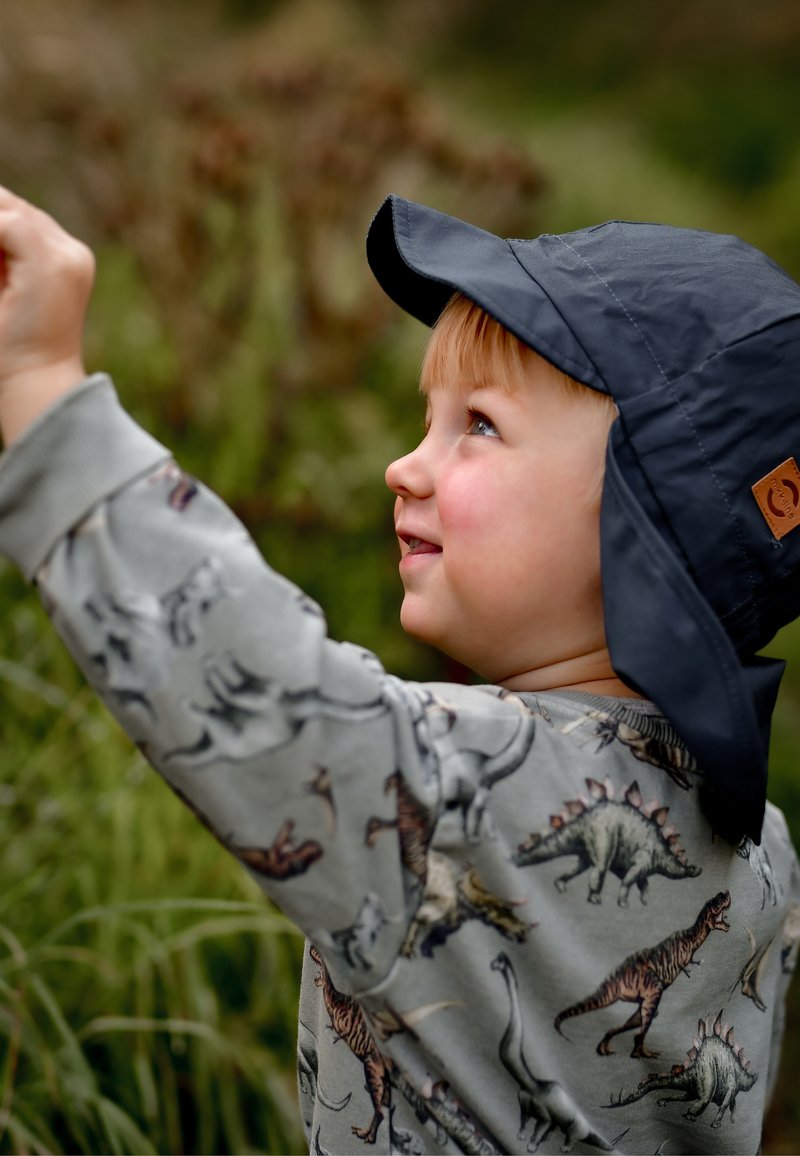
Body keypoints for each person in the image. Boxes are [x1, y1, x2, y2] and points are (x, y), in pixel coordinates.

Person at [0, 183, 798, 1155]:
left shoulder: (462, 792)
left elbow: (249, 677)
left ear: (644, 523)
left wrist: (40, 386)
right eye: (428, 418)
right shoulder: (761, 850)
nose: (403, 466)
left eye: (478, 425)